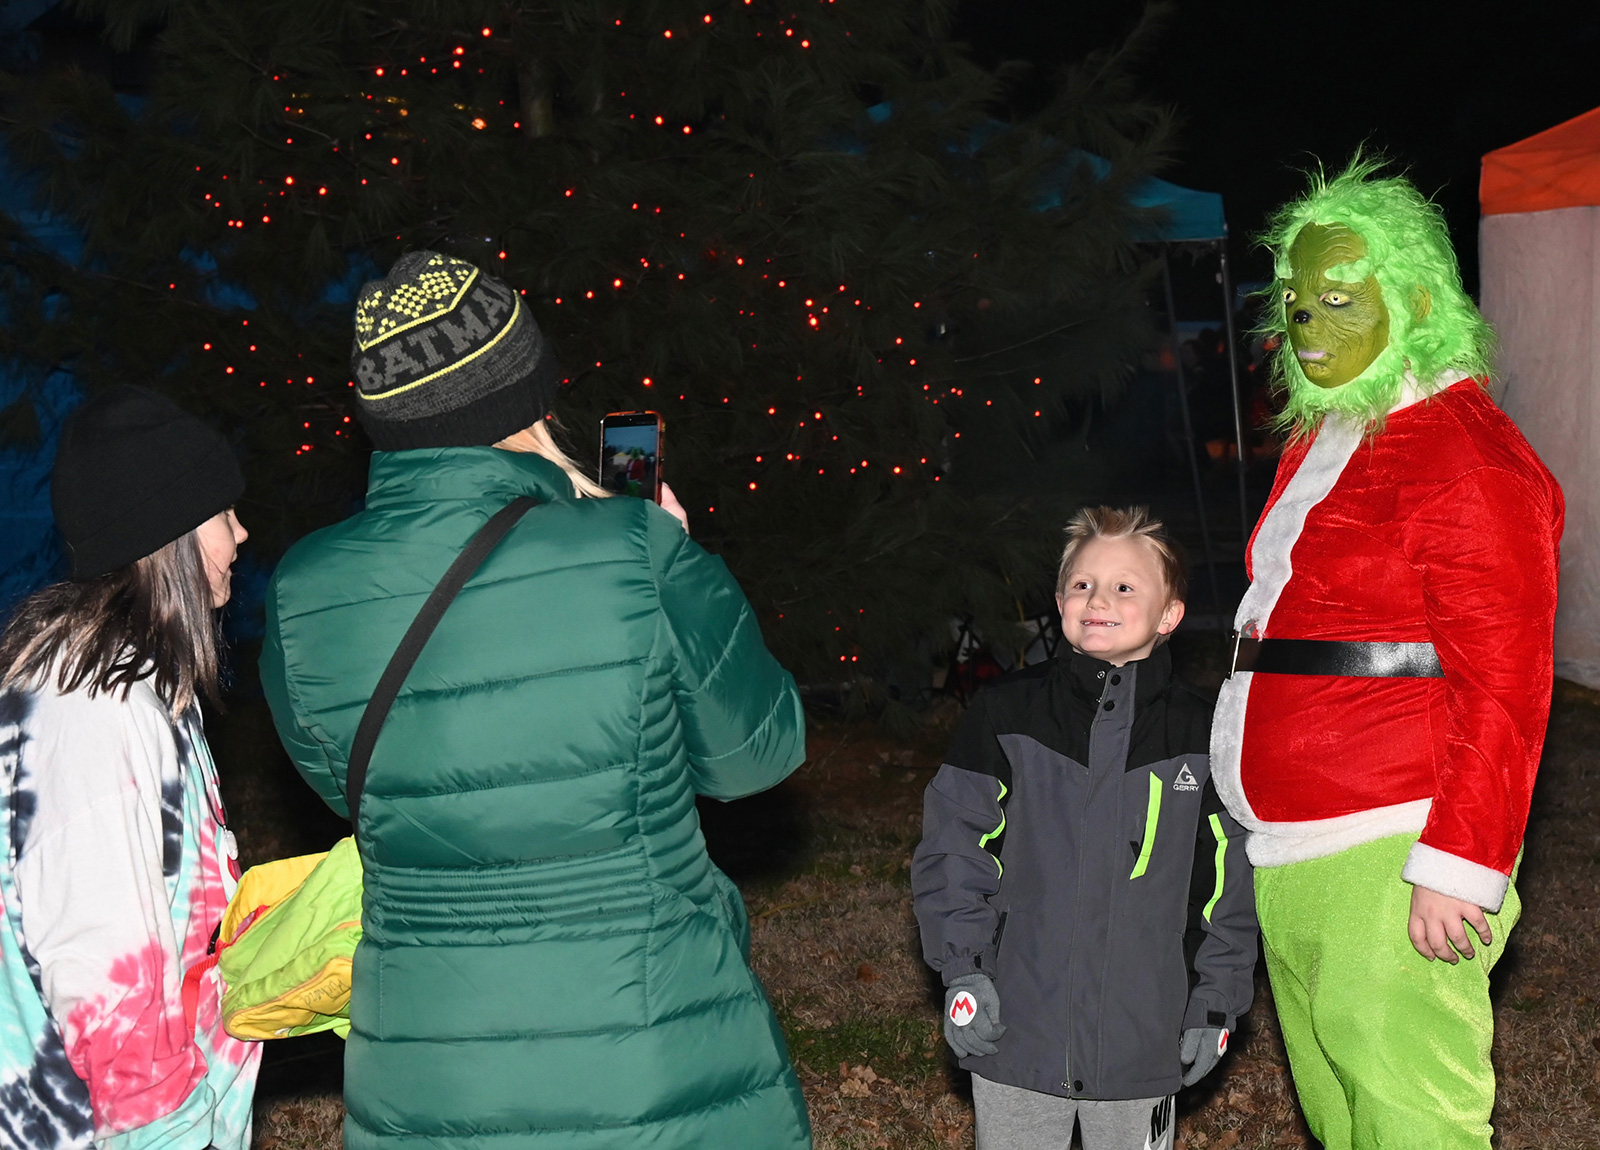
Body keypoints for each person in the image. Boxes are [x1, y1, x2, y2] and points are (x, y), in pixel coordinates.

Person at [258, 251, 811, 1150]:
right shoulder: (633, 549)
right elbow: (758, 754)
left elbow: (363, 798)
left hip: (426, 1073)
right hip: (649, 1060)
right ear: (530, 394)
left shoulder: (301, 592)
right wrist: (678, 560)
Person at [1214, 159, 1563, 1150]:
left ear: (1412, 301)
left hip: (1392, 847)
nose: (1304, 322)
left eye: (1336, 299)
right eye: (1294, 300)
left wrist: (1460, 861)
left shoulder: (1464, 454)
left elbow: (1506, 681)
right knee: (1344, 1119)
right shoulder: (1334, 434)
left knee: (1414, 1123)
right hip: (1299, 847)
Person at [912, 507, 1257, 1150]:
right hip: (1019, 1028)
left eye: (1124, 586)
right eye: (1081, 584)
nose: (1098, 599)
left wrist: (1215, 999)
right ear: (1060, 601)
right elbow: (954, 850)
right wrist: (965, 968)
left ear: (1169, 615)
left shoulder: (1205, 734)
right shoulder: (1005, 715)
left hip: (1143, 1036)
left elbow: (1231, 887)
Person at [0, 386, 261, 1150]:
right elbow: (104, 975)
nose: (242, 533)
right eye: (223, 513)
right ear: (169, 534)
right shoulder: (91, 710)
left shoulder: (138, 688)